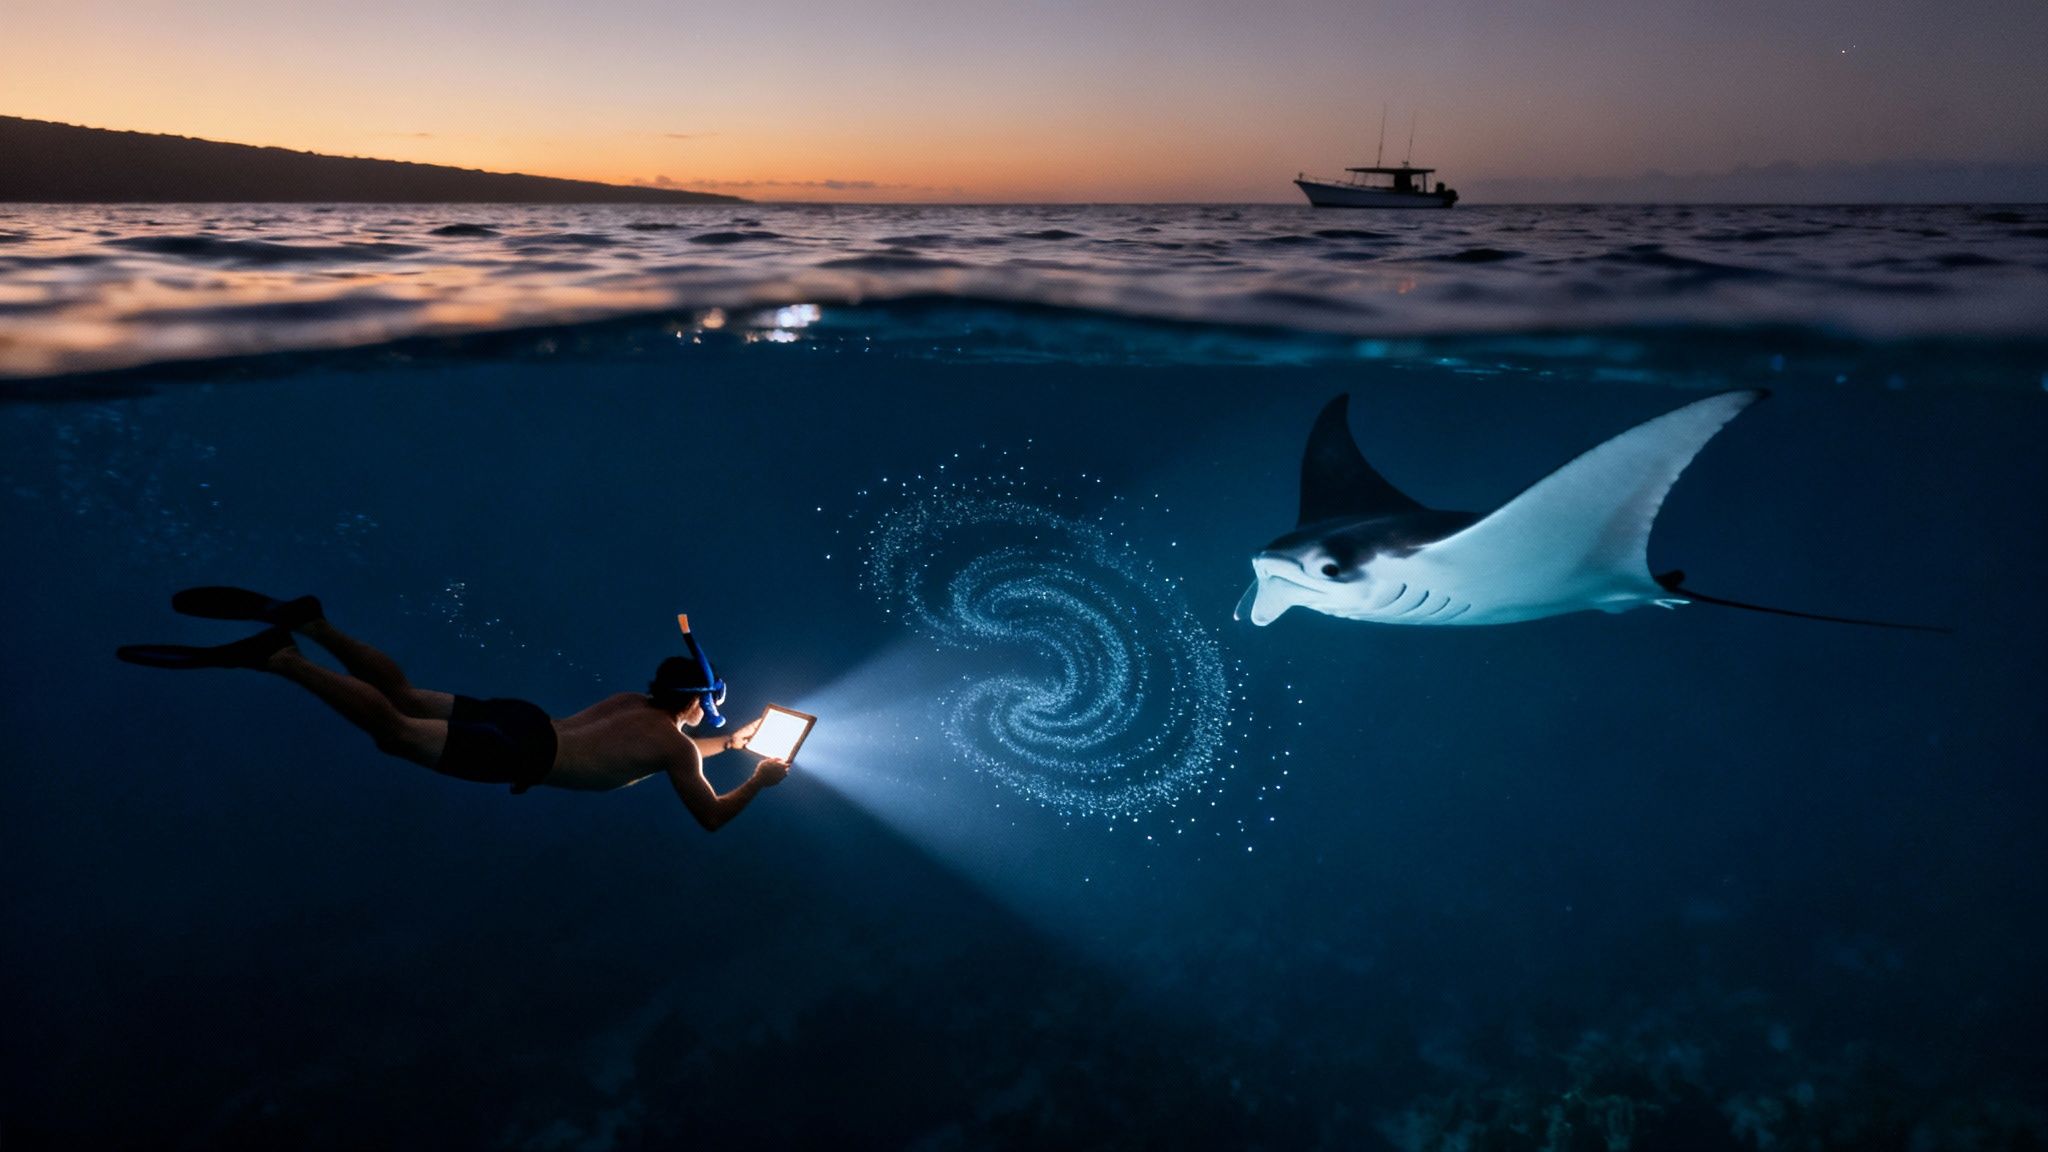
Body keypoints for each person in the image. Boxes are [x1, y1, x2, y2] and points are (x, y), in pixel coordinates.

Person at [116, 587, 789, 831]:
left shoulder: (633, 706)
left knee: (405, 695)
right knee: (393, 730)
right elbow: (709, 817)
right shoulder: (671, 743)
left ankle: (320, 629)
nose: (716, 720)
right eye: (716, 710)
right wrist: (758, 780)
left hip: (525, 722)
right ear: (698, 702)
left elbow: (655, 749)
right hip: (522, 753)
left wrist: (732, 748)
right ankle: (283, 658)